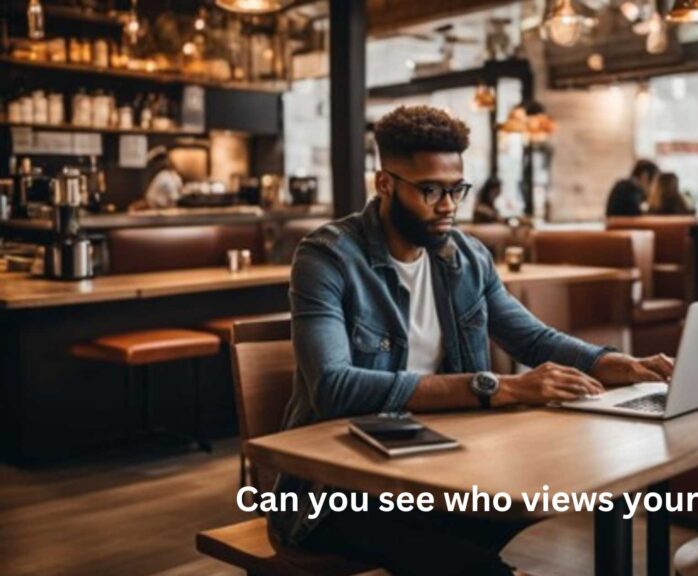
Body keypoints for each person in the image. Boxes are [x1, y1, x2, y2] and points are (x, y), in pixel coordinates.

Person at [272, 105, 674, 576]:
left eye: (455, 189)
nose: (447, 206)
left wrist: (615, 363)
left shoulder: (465, 256)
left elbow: (533, 339)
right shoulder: (327, 258)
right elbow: (333, 387)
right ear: (384, 184)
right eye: (430, 190)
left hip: (441, 471)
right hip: (338, 494)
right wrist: (497, 387)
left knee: (553, 496)